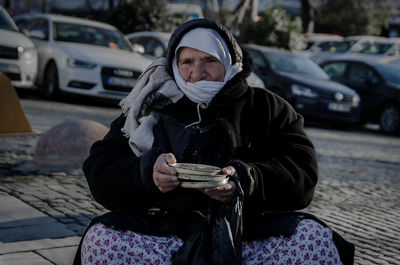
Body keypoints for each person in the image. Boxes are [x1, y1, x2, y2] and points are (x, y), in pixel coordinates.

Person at [74, 18, 354, 265]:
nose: (197, 73)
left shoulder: (266, 107)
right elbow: (100, 169)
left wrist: (246, 179)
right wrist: (146, 173)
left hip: (246, 232)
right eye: (187, 62)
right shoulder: (150, 106)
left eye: (209, 60)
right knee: (102, 240)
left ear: (230, 62)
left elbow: (302, 173)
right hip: (164, 231)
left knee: (313, 240)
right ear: (174, 64)